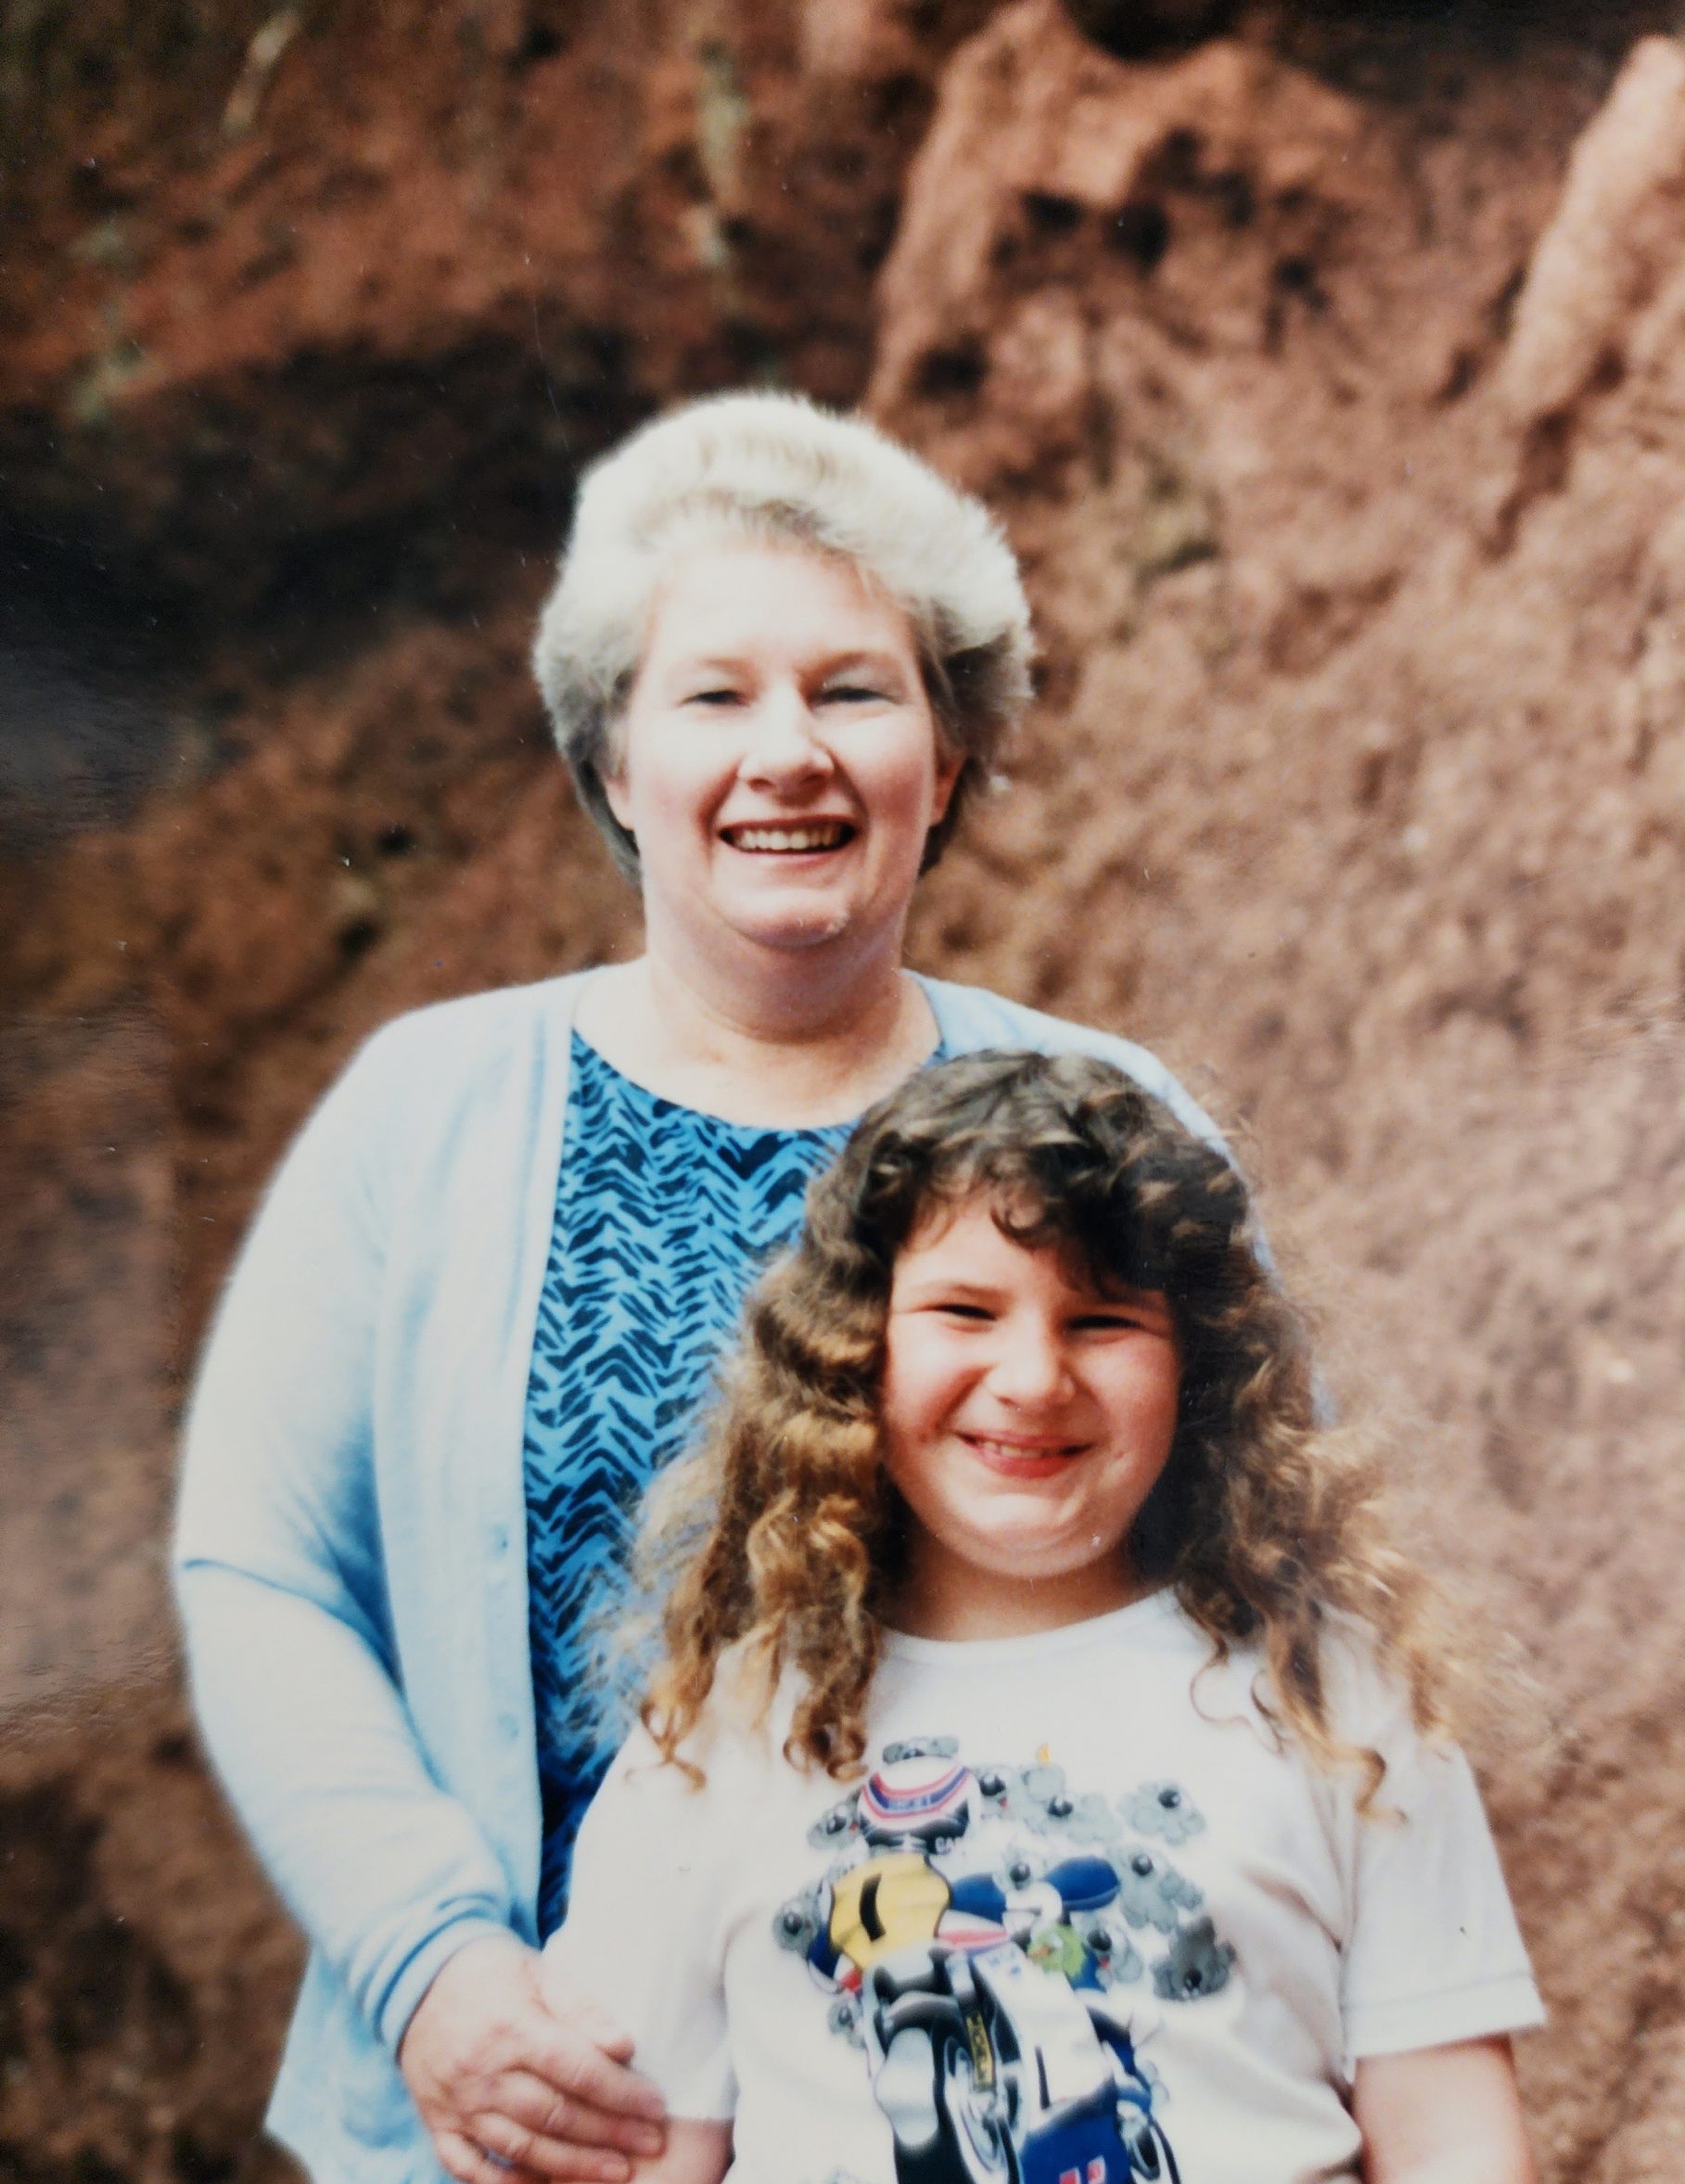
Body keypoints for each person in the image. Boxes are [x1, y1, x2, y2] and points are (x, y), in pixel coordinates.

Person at [173, 393, 1245, 2184]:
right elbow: (264, 1571)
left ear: (951, 759)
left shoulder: (1114, 1134)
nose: (789, 755)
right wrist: (434, 1970)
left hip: (994, 2106)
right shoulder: (431, 1114)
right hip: (544, 2114)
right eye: (714, 695)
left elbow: (1260, 1581)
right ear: (613, 764)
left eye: (853, 690)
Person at [541, 1051, 1544, 2184]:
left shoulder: (1333, 1696)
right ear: (854, 1351)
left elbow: (1452, 2139)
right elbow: (634, 2155)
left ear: (1198, 1363)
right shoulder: (720, 1733)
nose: (1032, 1377)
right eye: (964, 1311)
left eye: (1103, 1320)